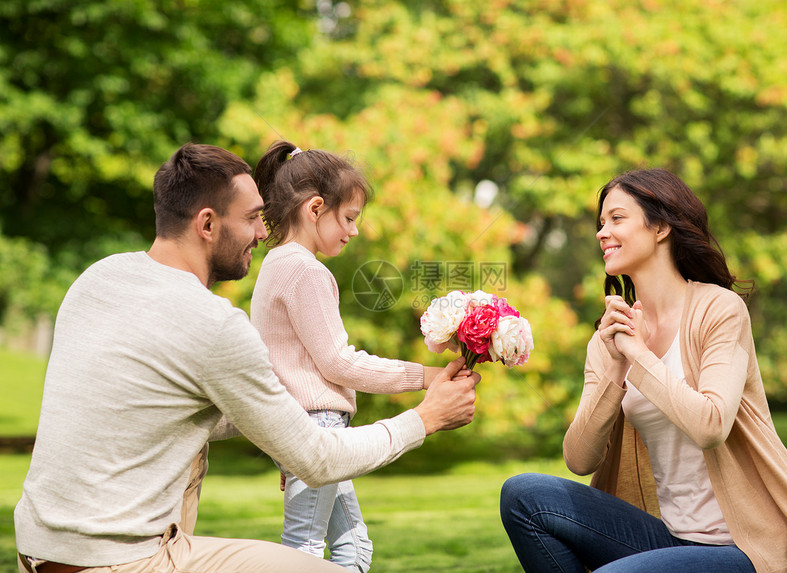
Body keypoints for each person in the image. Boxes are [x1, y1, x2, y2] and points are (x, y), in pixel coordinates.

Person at [14, 142, 480, 573]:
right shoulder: (213, 321)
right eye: (254, 217)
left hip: (38, 550)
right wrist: (427, 416)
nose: (263, 230)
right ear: (208, 224)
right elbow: (318, 460)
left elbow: (152, 410)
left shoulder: (99, 278)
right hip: (122, 561)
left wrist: (284, 430)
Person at [500, 168, 787, 573]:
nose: (602, 233)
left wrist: (638, 355)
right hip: (671, 539)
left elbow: (711, 426)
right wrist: (617, 368)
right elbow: (578, 458)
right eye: (600, 223)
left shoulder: (719, 310)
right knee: (524, 494)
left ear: (660, 227)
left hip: (745, 547)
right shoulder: (611, 339)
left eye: (617, 219)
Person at [249, 140, 447, 572]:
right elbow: (340, 363)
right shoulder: (305, 270)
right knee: (303, 549)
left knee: (355, 548)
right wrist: (425, 376)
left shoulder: (274, 265)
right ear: (315, 208)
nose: (354, 231)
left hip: (295, 426)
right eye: (349, 218)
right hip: (315, 426)